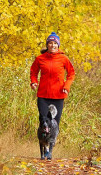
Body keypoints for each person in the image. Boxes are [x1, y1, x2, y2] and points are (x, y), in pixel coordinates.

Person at [29, 32, 75, 160]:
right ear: (47, 45)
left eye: (55, 43)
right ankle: (44, 149)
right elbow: (33, 71)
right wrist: (34, 82)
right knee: (43, 122)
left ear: (58, 45)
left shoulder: (63, 59)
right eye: (50, 43)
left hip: (58, 96)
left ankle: (50, 151)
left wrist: (66, 86)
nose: (53, 45)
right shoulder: (40, 59)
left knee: (54, 124)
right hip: (43, 96)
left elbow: (71, 74)